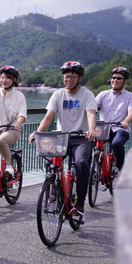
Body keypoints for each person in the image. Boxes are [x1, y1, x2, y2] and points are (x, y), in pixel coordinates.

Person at [28, 61, 97, 216]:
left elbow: (91, 113)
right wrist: (37, 132)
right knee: (50, 160)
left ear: (79, 78)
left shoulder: (87, 95)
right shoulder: (58, 94)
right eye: (66, 77)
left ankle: (80, 204)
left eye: (72, 77)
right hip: (61, 137)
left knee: (81, 163)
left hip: (81, 138)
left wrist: (91, 130)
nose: (68, 80)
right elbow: (48, 117)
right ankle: (54, 186)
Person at [95, 66, 132, 171]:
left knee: (117, 143)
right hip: (103, 128)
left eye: (119, 78)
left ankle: (120, 168)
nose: (115, 80)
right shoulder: (103, 94)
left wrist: (126, 121)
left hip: (120, 128)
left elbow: (131, 112)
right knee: (88, 143)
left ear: (124, 81)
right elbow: (92, 109)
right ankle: (92, 170)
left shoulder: (130, 96)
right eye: (113, 78)